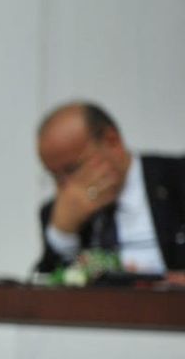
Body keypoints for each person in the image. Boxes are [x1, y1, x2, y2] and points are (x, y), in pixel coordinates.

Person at [34, 101, 185, 274]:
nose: (66, 186)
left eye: (72, 169)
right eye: (55, 176)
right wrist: (63, 234)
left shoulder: (177, 178)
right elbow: (46, 284)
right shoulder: (56, 213)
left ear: (111, 141)